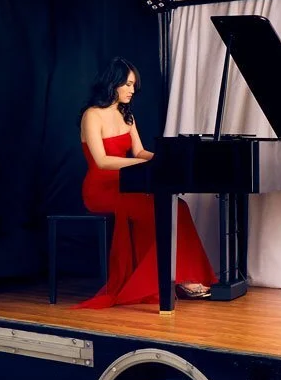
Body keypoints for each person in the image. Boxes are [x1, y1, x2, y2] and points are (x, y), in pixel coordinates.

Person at [75, 57, 216, 309]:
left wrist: (164, 159)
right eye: (127, 84)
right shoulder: (92, 115)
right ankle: (169, 279)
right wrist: (147, 165)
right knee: (158, 209)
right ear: (113, 83)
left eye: (133, 85)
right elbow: (102, 161)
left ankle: (176, 276)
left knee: (177, 206)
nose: (132, 90)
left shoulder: (126, 116)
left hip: (127, 183)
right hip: (101, 189)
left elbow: (139, 151)